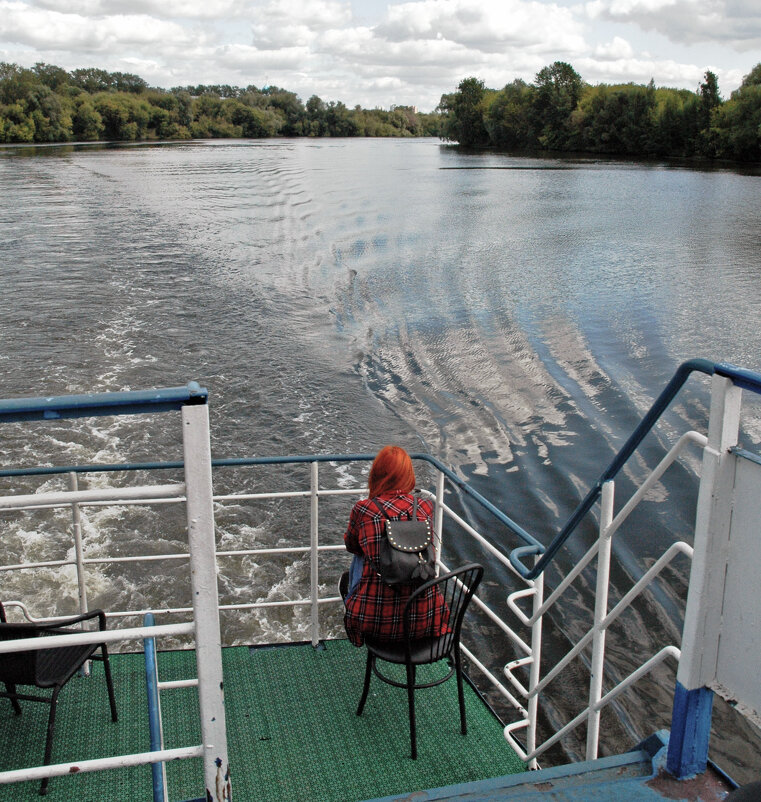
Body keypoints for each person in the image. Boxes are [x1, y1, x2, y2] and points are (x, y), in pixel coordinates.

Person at [341, 445, 449, 647]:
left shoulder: (365, 509)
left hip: (375, 622)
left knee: (359, 556)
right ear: (408, 476)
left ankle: (352, 605)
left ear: (376, 475)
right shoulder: (424, 507)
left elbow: (351, 545)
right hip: (426, 620)